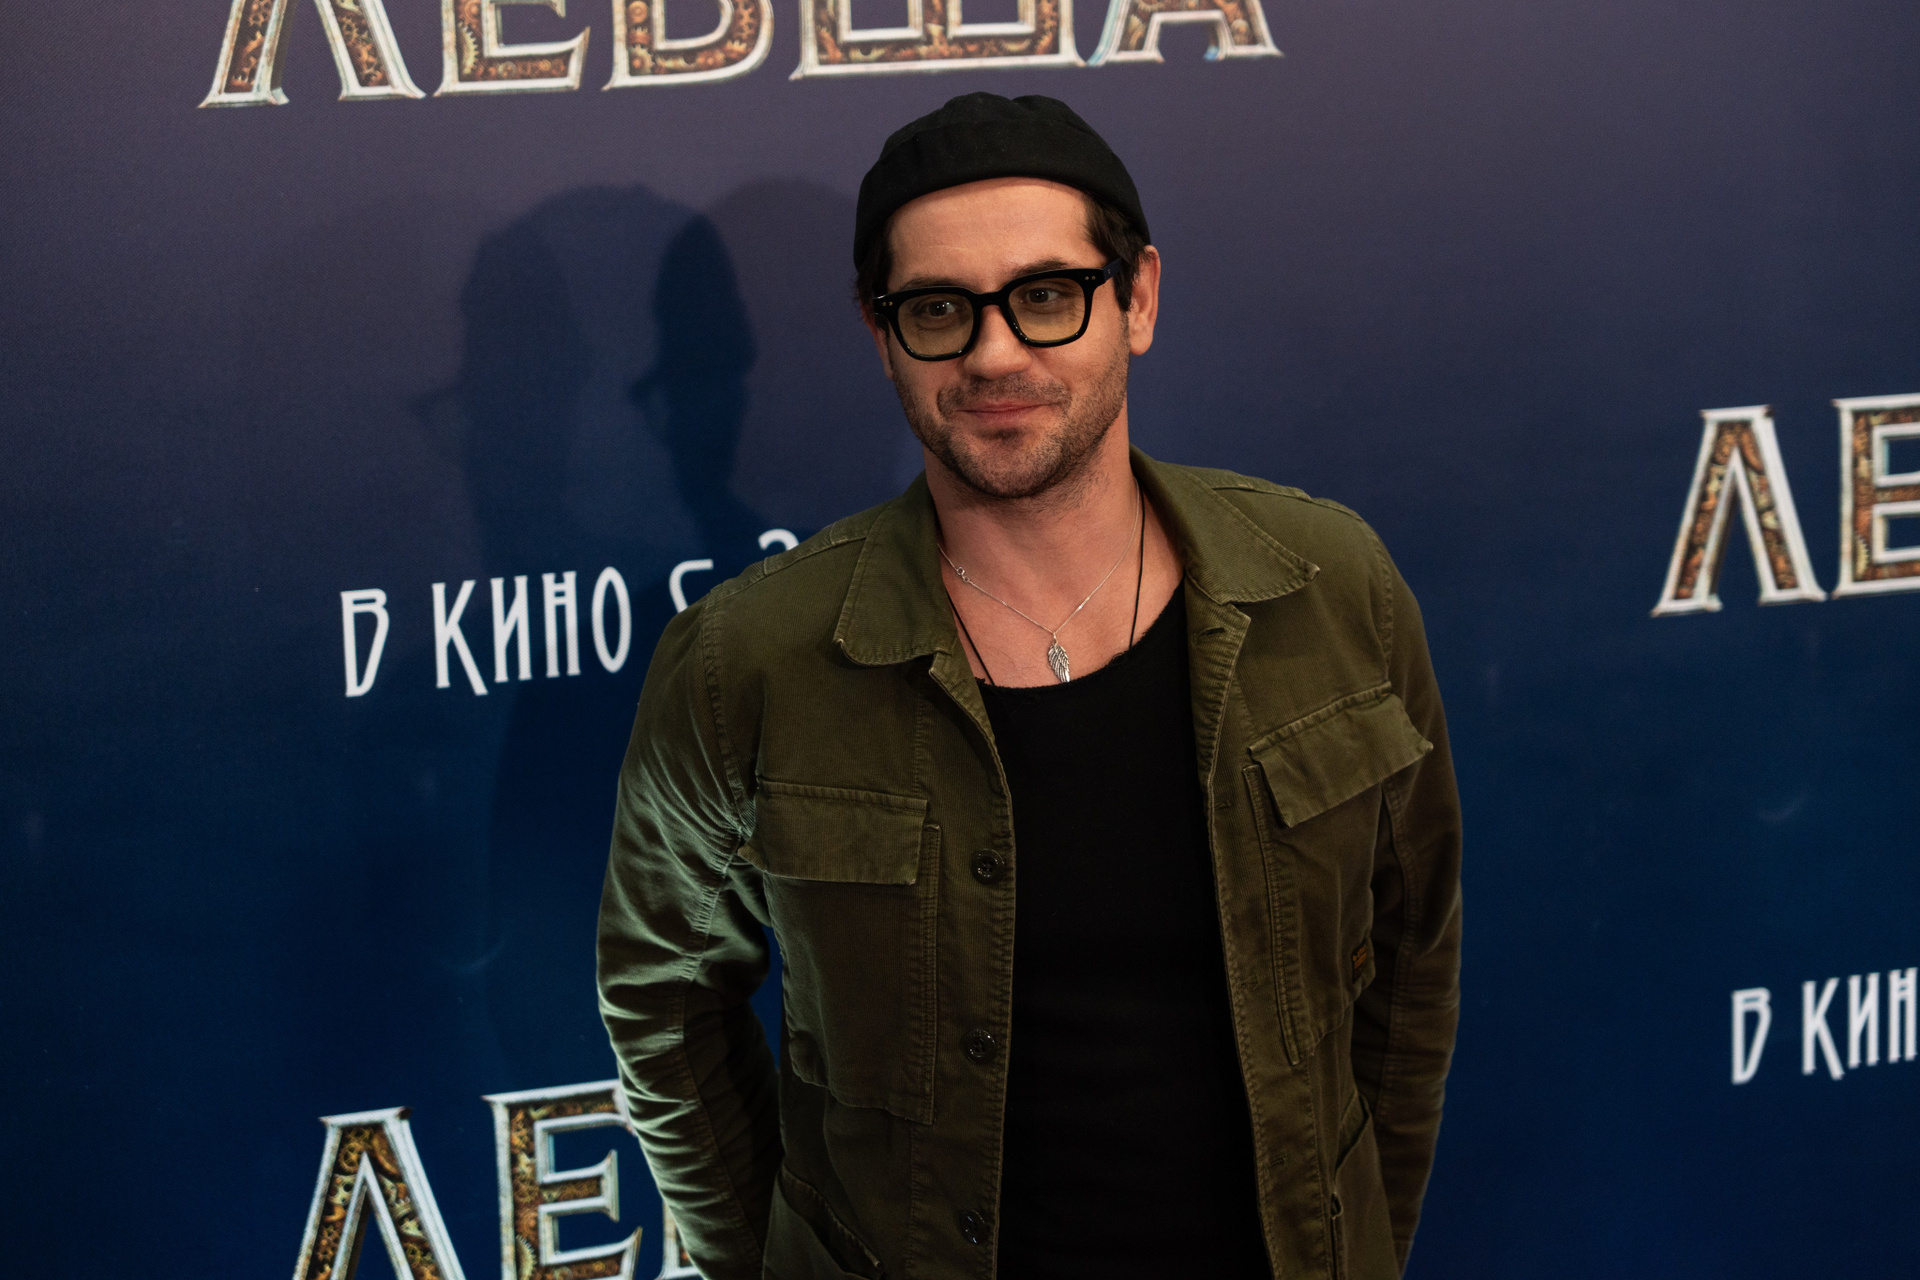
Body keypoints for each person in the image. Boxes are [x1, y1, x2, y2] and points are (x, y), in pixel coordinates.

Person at [597, 92, 1462, 1280]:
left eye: (1047, 295)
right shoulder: (743, 662)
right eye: (938, 309)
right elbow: (666, 1008)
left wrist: (1360, 1240)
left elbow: (1412, 958)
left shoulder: (1332, 586)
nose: (996, 353)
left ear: (1138, 297)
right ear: (881, 332)